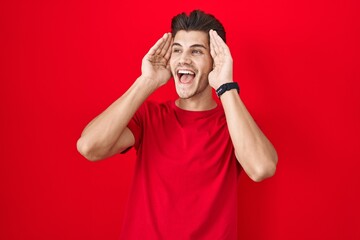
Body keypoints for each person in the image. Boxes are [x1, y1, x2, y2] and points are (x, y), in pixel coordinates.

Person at [77, 10, 278, 240]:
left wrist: (225, 86)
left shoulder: (233, 123)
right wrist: (146, 82)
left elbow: (262, 168)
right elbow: (89, 147)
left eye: (196, 51)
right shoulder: (149, 116)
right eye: (177, 50)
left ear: (215, 61)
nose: (183, 59)